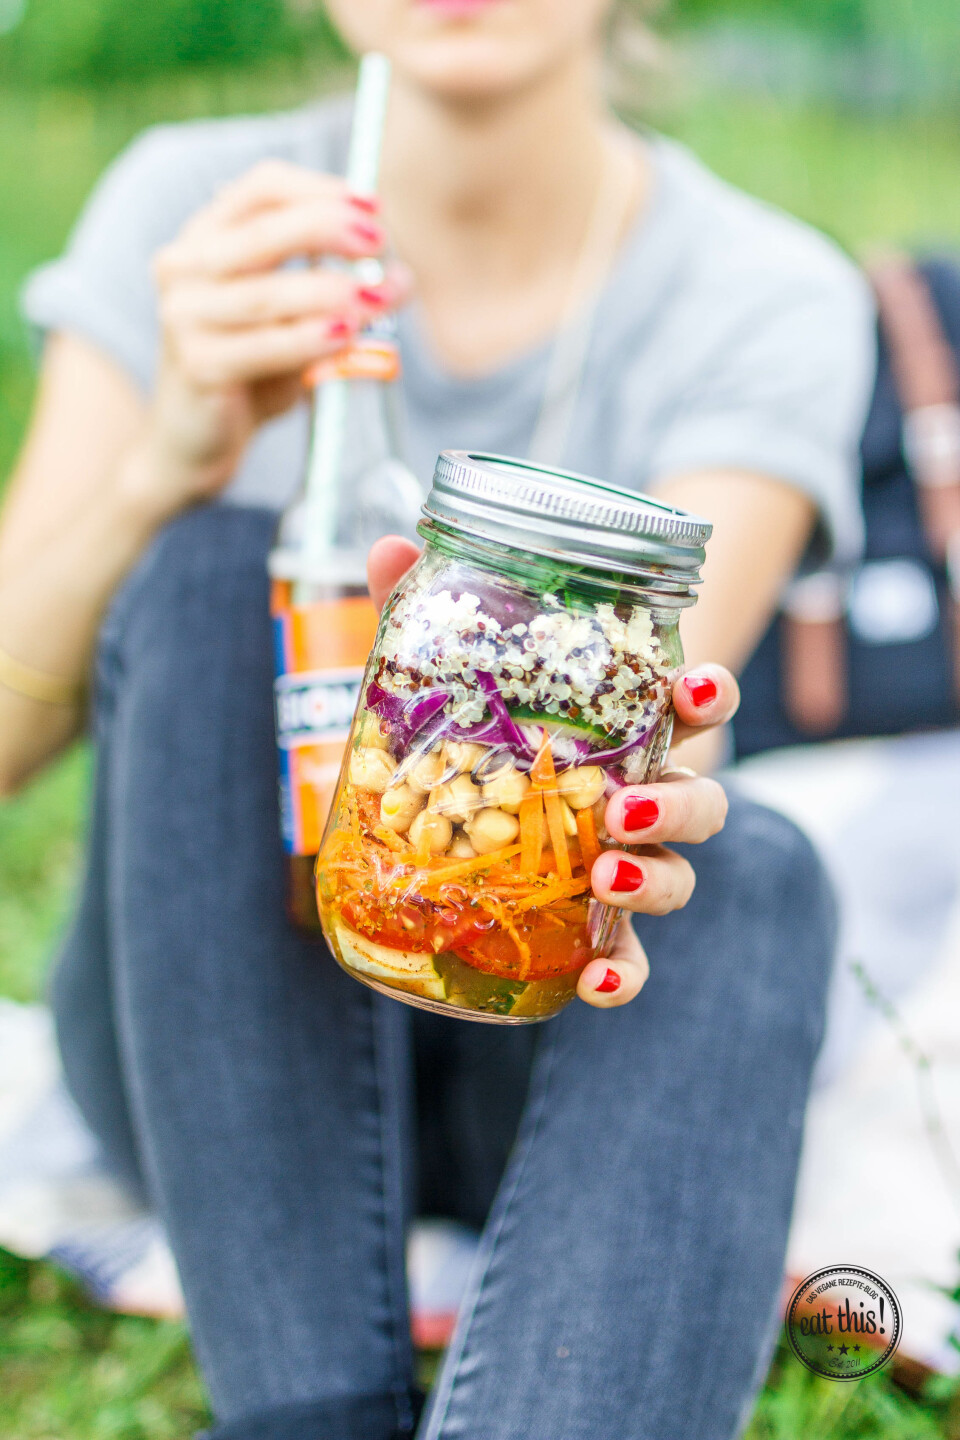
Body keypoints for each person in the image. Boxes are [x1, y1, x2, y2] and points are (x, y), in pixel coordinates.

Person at [0, 2, 874, 1437]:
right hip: (202, 1029)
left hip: (523, 1032)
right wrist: (165, 464)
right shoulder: (194, 209)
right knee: (227, 568)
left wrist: (653, 776)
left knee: (762, 862)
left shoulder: (762, 288)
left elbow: (663, 725)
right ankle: (307, 1414)